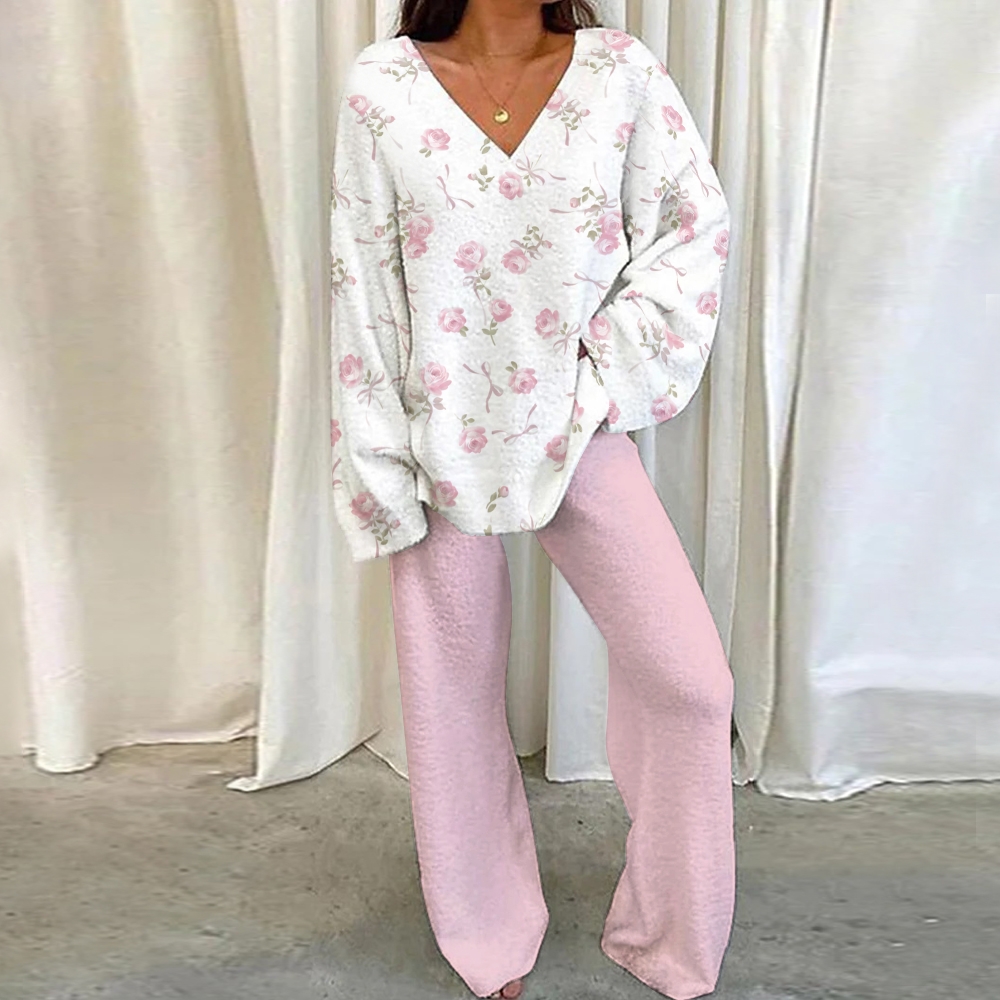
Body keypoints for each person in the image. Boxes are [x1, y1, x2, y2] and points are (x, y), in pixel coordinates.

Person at [328, 1, 734, 997]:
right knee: (450, 698)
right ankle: (488, 935)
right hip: (434, 432)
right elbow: (363, 283)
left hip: (573, 427)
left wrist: (599, 378)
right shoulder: (383, 86)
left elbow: (691, 232)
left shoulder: (619, 72)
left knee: (691, 685)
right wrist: (379, 461)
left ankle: (668, 930)